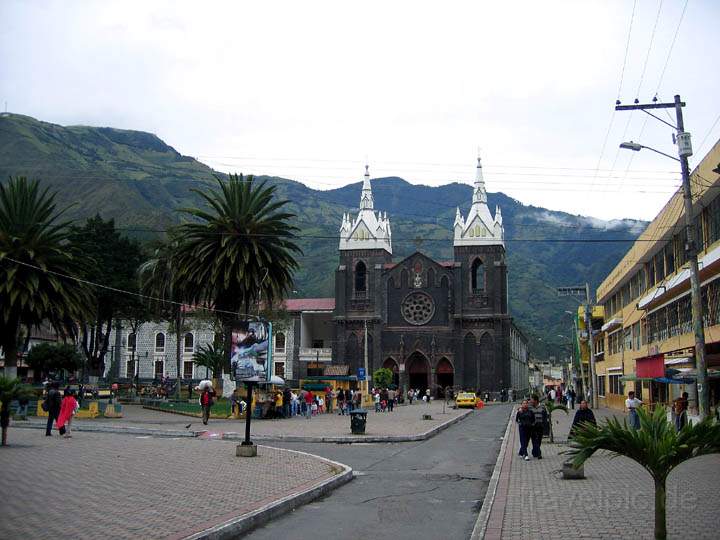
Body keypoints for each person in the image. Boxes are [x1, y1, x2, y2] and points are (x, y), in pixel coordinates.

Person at [528, 394, 548, 459]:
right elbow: (523, 408)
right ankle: (539, 454)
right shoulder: (529, 407)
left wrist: (545, 426)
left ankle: (534, 451)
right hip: (533, 426)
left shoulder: (542, 406)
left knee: (539, 440)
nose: (530, 401)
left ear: (536, 400)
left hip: (540, 426)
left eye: (532, 399)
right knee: (535, 440)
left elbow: (545, 416)